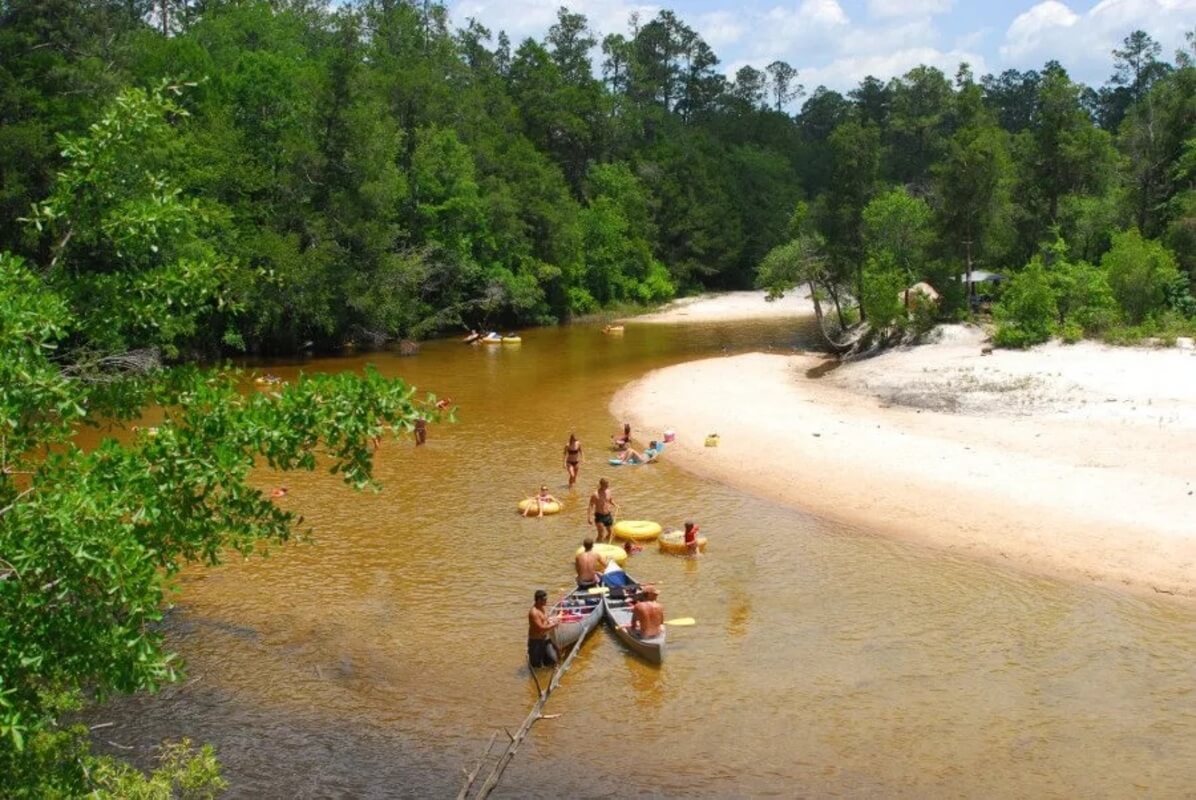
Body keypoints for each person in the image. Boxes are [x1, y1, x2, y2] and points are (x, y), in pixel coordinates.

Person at [527, 589, 559, 668]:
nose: (546, 601)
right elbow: (541, 628)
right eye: (544, 600)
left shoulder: (542, 608)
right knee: (536, 666)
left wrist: (552, 620)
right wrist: (554, 625)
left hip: (546, 639)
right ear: (538, 600)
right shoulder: (534, 613)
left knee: (553, 661)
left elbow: (545, 620)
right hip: (536, 642)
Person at [587, 478, 620, 543]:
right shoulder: (595, 494)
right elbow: (590, 506)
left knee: (610, 533)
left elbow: (610, 500)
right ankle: (596, 545)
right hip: (599, 516)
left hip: (608, 515)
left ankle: (605, 543)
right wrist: (589, 517)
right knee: (601, 534)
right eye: (606, 485)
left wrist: (615, 505)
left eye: (608, 485)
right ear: (601, 485)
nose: (607, 486)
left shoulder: (608, 491)